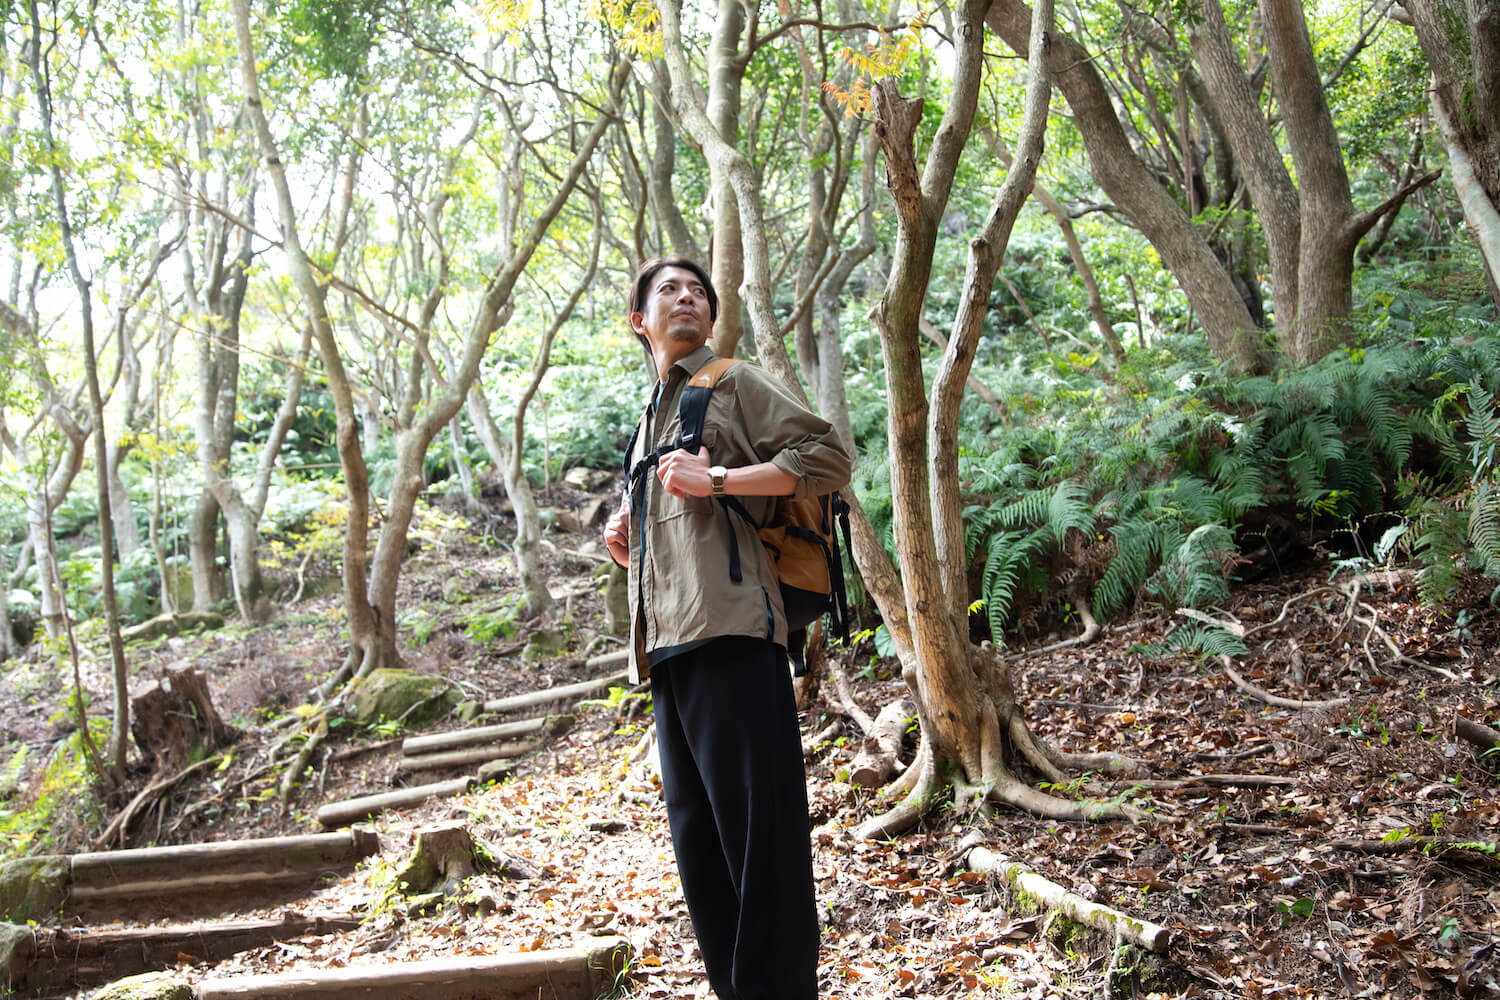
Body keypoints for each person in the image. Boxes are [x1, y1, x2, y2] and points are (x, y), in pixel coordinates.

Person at [604, 258, 852, 1000]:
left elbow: (829, 456)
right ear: (638, 321)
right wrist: (627, 537)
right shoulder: (653, 415)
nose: (688, 299)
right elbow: (682, 529)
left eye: (699, 293)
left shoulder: (732, 382)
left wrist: (718, 480)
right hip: (669, 652)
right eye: (668, 292)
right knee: (703, 851)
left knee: (760, 841)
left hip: (736, 636)